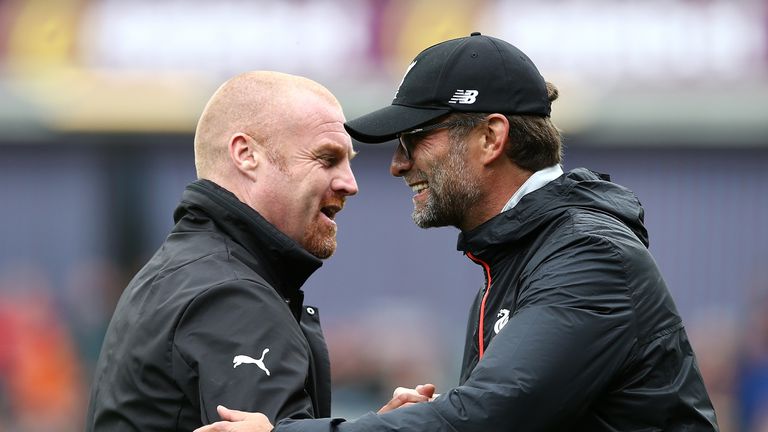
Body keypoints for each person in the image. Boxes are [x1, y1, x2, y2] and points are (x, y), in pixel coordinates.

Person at [195, 33, 720, 432]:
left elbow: (484, 416)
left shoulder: (589, 255)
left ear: (492, 137)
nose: (398, 165)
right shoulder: (518, 258)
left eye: (415, 138)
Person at [85, 71, 359, 431]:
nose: (349, 184)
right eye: (327, 158)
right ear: (246, 155)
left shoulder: (182, 271)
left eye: (349, 161)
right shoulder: (234, 295)